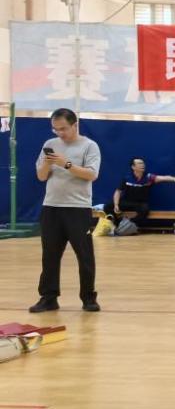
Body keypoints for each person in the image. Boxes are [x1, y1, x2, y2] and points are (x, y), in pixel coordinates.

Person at [30, 108, 102, 314]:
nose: (59, 133)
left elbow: (92, 175)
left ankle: (88, 297)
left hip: (78, 208)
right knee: (50, 255)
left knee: (84, 255)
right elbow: (41, 176)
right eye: (55, 129)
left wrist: (66, 164)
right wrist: (48, 164)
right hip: (51, 206)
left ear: (75, 125)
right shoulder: (50, 144)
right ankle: (48, 297)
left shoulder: (89, 146)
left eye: (63, 128)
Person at [113, 158, 175, 227]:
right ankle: (113, 224)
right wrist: (116, 205)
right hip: (127, 202)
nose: (142, 165)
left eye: (143, 163)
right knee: (109, 206)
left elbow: (164, 178)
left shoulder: (149, 177)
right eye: (139, 163)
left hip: (140, 203)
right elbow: (118, 191)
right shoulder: (127, 178)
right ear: (133, 167)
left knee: (144, 210)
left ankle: (128, 226)